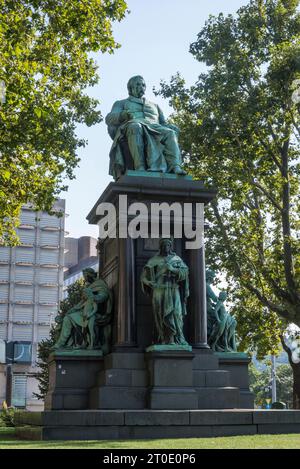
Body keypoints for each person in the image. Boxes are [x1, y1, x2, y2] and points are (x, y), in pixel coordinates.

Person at [106, 75, 186, 179]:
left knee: (170, 133)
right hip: (132, 124)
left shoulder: (155, 106)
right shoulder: (121, 103)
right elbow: (109, 118)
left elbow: (163, 123)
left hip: (154, 127)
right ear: (130, 88)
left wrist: (171, 126)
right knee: (135, 127)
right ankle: (140, 167)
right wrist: (123, 115)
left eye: (143, 85)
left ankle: (175, 167)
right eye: (138, 84)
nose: (141, 87)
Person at [141, 238, 189, 346]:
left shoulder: (177, 259)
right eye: (164, 245)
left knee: (176, 314)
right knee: (160, 315)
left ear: (171, 247)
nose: (166, 247)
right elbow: (143, 277)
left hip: (173, 289)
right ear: (161, 247)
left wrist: (172, 269)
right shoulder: (154, 260)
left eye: (168, 245)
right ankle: (164, 339)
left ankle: (177, 338)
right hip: (159, 290)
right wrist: (149, 283)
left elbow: (185, 273)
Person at [53, 268, 112, 352]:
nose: (85, 279)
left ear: (90, 275)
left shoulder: (99, 284)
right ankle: (63, 344)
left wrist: (93, 297)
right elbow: (82, 303)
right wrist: (71, 310)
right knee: (68, 317)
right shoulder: (90, 286)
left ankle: (88, 344)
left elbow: (103, 296)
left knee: (72, 319)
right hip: (85, 312)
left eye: (85, 276)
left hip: (94, 313)